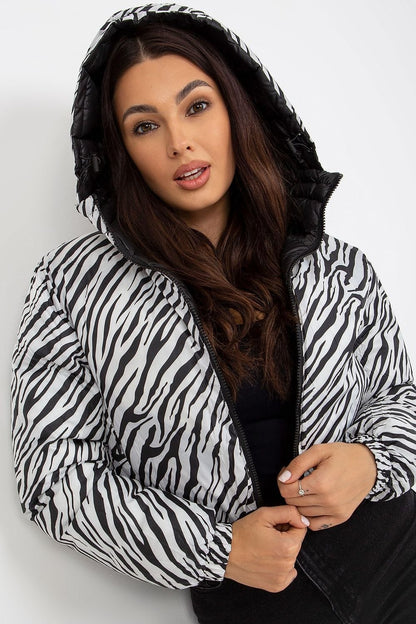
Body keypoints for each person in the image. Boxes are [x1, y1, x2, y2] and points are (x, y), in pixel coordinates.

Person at [11, 5, 416, 624]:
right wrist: (216, 549)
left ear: (235, 110)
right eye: (145, 126)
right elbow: (53, 477)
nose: (179, 142)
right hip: (253, 598)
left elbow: (400, 398)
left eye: (197, 106)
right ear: (121, 151)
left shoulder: (337, 264)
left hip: (397, 552)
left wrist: (371, 463)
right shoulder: (72, 285)